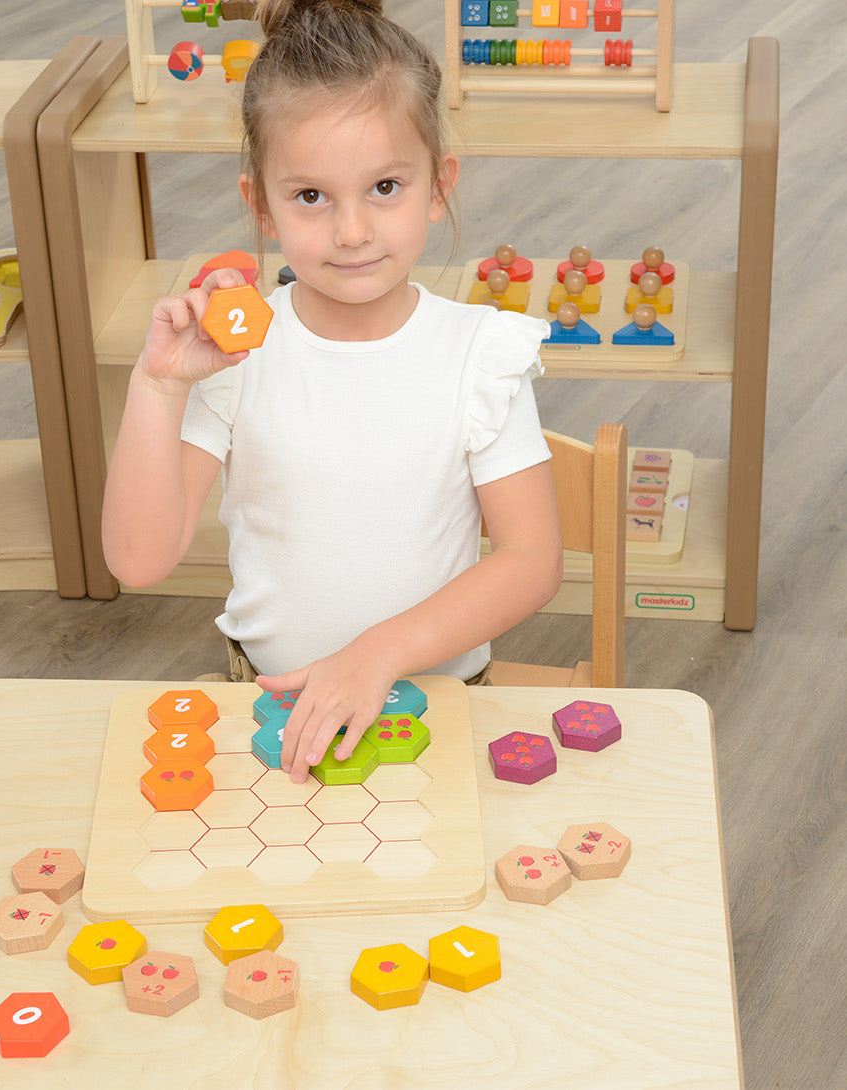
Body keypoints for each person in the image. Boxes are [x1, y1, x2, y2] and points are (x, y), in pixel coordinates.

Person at [102, 0, 563, 784]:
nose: (352, 231)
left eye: (385, 186)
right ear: (262, 206)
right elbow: (139, 560)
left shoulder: (480, 353)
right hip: (274, 708)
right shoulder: (234, 355)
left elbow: (531, 558)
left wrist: (375, 654)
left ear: (438, 185)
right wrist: (157, 386)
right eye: (311, 197)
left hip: (439, 707)